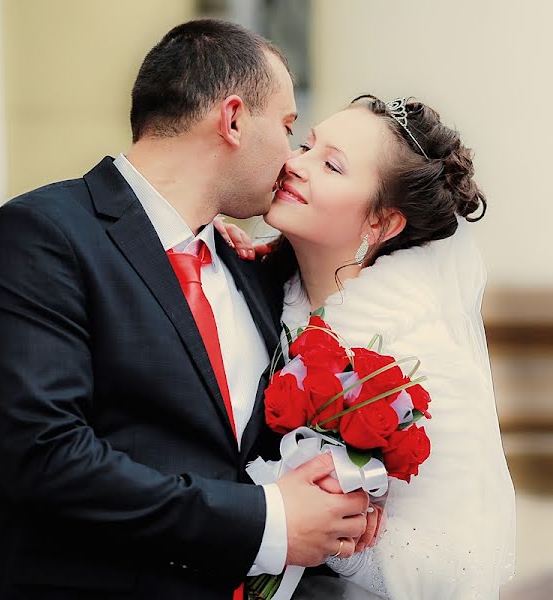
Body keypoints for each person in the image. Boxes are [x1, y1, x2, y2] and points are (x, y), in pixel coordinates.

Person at [0, 19, 370, 600]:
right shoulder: (41, 235)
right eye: (286, 127)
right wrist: (267, 522)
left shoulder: (248, 265)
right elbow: (46, 458)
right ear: (231, 120)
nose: (290, 157)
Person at [219, 95, 517, 599]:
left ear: (382, 222)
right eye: (307, 145)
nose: (294, 164)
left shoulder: (423, 360)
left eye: (331, 165)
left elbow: (456, 563)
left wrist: (339, 534)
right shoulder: (250, 289)